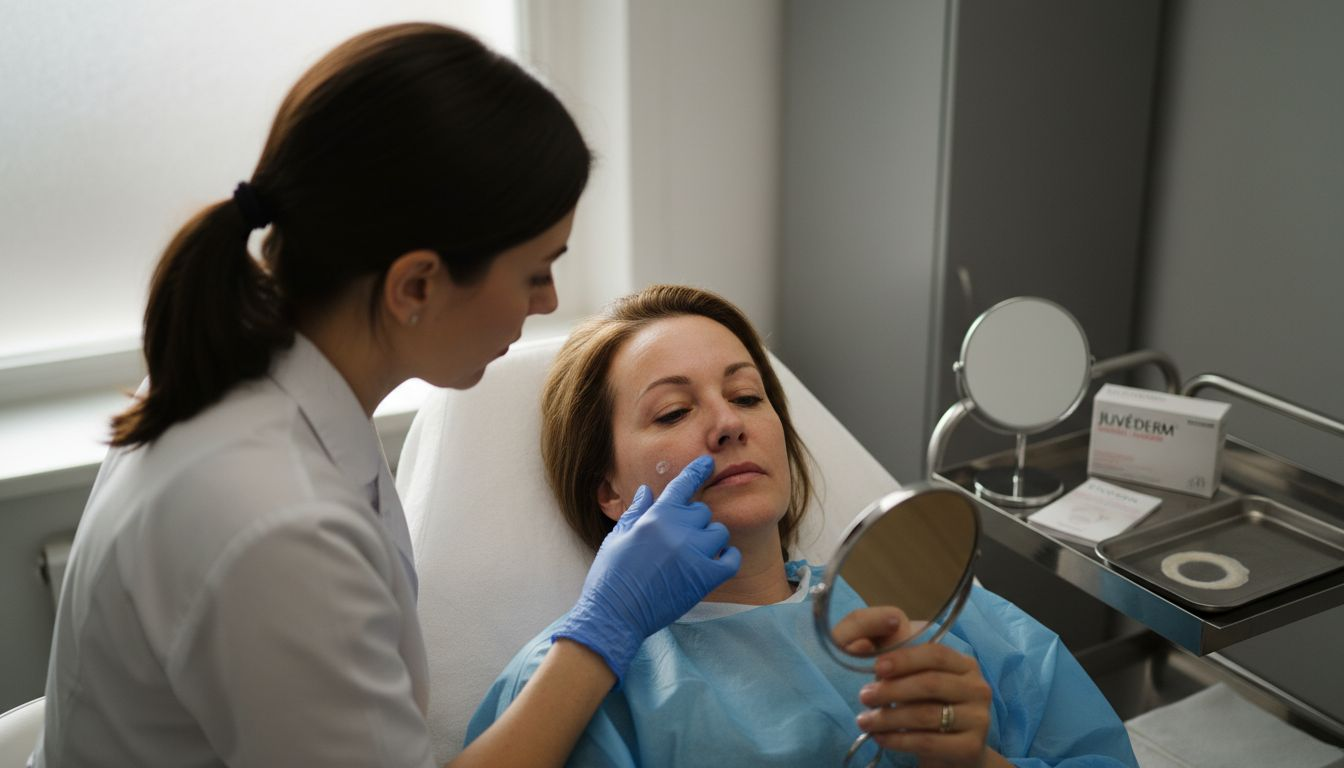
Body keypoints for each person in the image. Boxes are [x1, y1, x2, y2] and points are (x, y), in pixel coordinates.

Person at [32, 26, 740, 768]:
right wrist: (605, 628)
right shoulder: (278, 526)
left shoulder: (259, 383)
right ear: (417, 286)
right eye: (535, 271)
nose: (549, 300)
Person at [466, 284, 1139, 767]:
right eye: (672, 412)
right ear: (609, 491)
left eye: (747, 396)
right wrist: (602, 628)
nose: (729, 423)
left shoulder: (940, 618)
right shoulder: (576, 684)